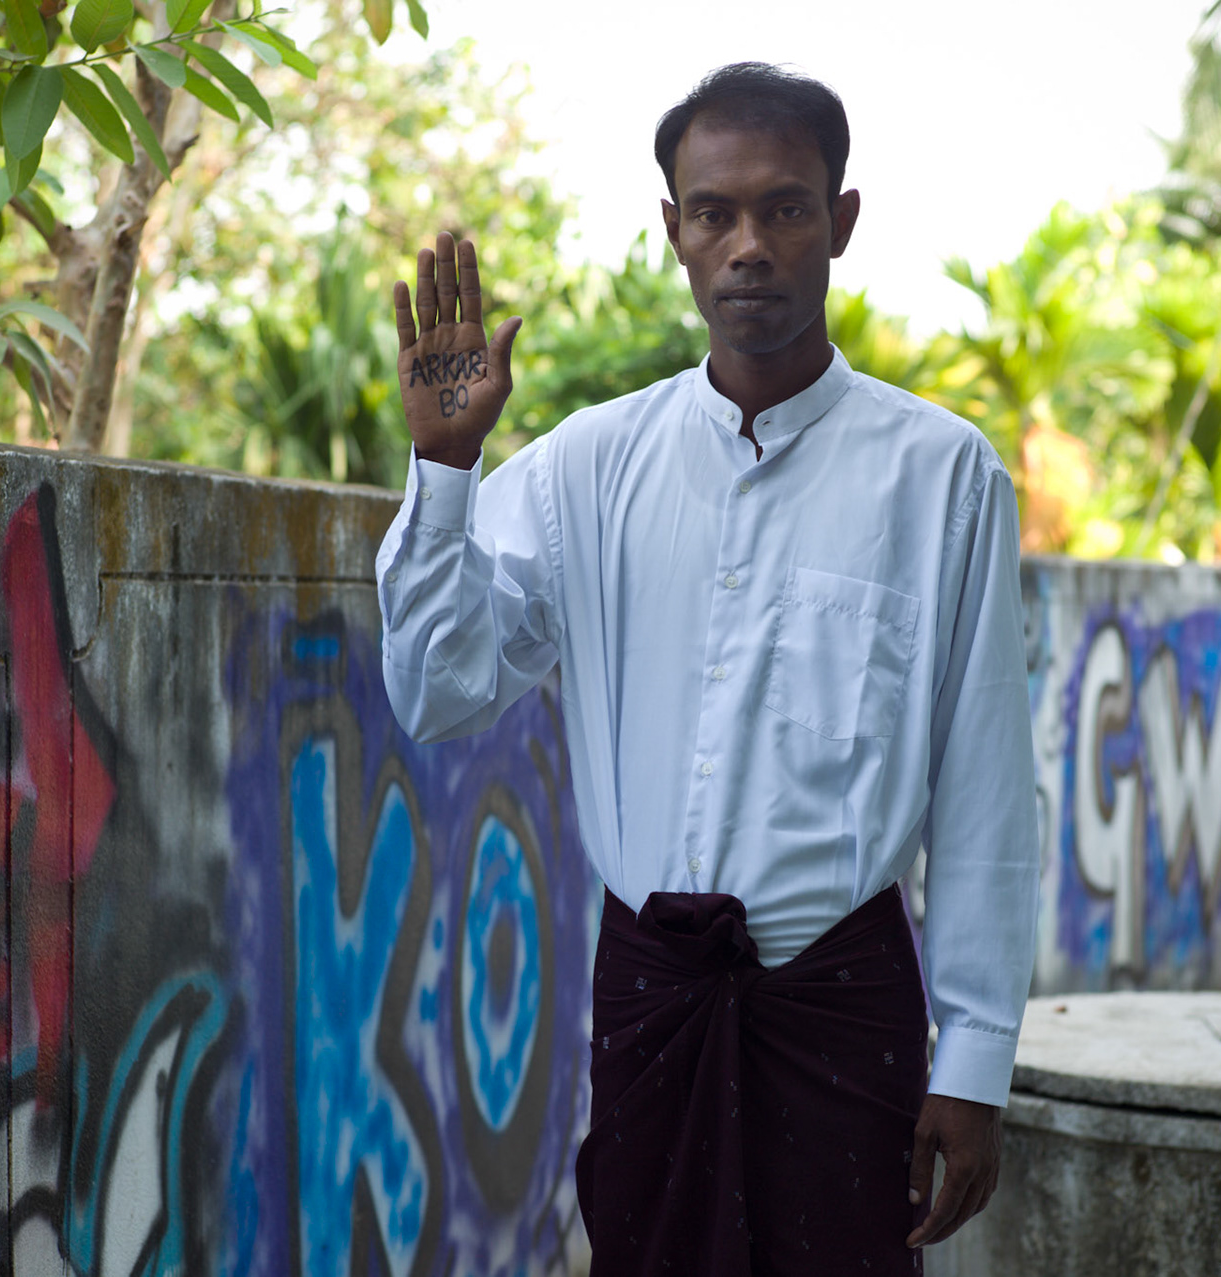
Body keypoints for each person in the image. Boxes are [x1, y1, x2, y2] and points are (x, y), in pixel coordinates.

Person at [376, 62, 1038, 1275]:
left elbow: (988, 785)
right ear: (671, 230)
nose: (748, 245)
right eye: (713, 211)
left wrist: (977, 1055)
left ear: (840, 223)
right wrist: (447, 475)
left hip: (845, 1007)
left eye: (786, 208)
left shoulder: (942, 477)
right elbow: (436, 686)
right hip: (653, 1009)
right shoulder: (585, 470)